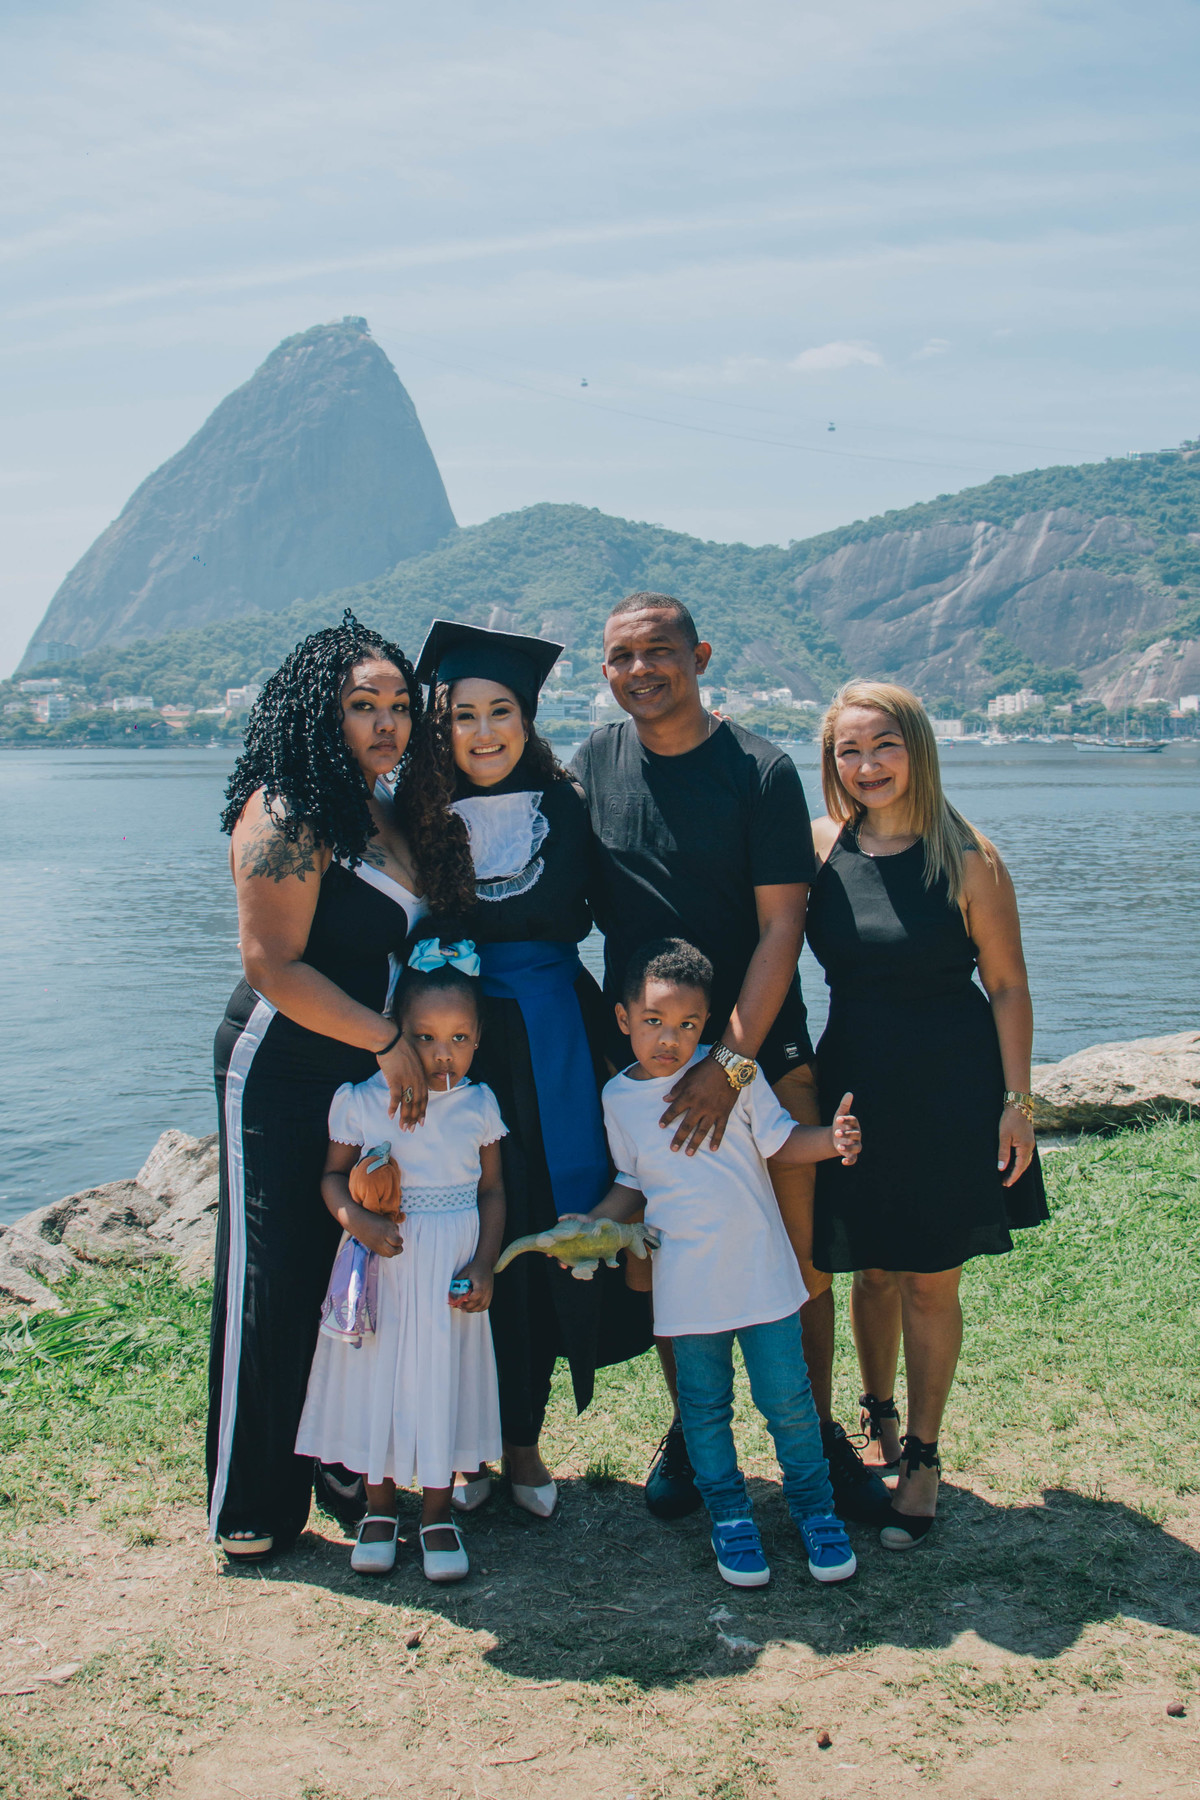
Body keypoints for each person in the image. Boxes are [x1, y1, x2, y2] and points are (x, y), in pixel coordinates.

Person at [572, 592, 888, 1525]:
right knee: (676, 1254)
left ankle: (821, 1436)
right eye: (623, 657)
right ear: (606, 672)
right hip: (654, 1054)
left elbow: (782, 922)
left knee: (799, 1257)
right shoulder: (595, 763)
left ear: (699, 655)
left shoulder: (759, 769)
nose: (642, 671)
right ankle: (691, 1429)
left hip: (760, 1043)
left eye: (660, 652)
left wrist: (733, 1064)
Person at [207, 610, 475, 1561]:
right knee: (274, 1273)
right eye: (364, 706)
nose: (387, 723)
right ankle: (251, 1499)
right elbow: (273, 963)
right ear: (320, 714)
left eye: (400, 706)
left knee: (346, 1270)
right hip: (284, 1065)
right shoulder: (286, 810)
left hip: (365, 1062)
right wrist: (387, 1041)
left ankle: (336, 1458)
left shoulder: (382, 808)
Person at [410, 620, 652, 1519]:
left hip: (553, 1035)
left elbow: (625, 914)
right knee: (457, 1230)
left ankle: (520, 1441)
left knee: (546, 1226)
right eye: (462, 715)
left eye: (500, 712)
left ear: (528, 717)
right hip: (453, 1050)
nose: (482, 732)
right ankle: (459, 1442)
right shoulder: (412, 814)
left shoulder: (572, 805)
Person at [805, 680, 1048, 1549]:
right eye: (847, 751)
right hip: (855, 1088)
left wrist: (1017, 1104)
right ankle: (875, 1413)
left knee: (929, 1279)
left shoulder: (968, 855)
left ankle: (925, 1456)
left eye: (884, 746)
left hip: (951, 1088)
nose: (867, 765)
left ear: (916, 748)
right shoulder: (820, 848)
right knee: (866, 1268)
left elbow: (1009, 985)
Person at [573, 937, 861, 1587]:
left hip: (762, 1275)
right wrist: (596, 1223)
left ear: (708, 1025)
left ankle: (816, 1513)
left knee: (789, 1402)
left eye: (686, 1025)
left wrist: (832, 1141)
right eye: (652, 1022)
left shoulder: (739, 1076)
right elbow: (631, 1180)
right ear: (623, 1020)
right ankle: (731, 1517)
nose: (668, 1039)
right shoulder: (618, 1099)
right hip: (685, 1287)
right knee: (703, 1409)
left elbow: (783, 1143)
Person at [296, 945, 506, 1584]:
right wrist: (357, 1220)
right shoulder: (361, 1100)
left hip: (450, 1269)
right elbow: (333, 1178)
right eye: (425, 1038)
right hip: (382, 1266)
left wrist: (487, 1264)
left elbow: (493, 1191)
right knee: (380, 1379)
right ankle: (380, 1509)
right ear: (395, 1032)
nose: (443, 1054)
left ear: (478, 1038)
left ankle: (438, 1512)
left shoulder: (478, 1104)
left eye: (459, 1038)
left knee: (443, 1378)